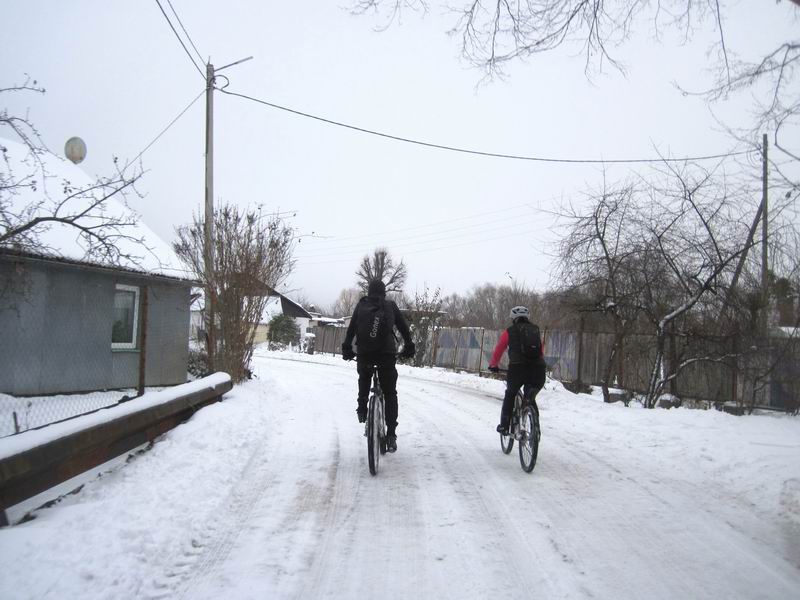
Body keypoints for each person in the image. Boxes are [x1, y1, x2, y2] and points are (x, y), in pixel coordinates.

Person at [342, 279, 415, 453]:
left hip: (365, 354)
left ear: (369, 291)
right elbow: (404, 329)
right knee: (390, 393)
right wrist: (409, 348)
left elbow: (351, 330)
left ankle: (362, 408)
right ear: (383, 292)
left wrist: (347, 349)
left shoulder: (361, 306)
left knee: (364, 377)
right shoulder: (390, 306)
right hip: (386, 355)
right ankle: (391, 434)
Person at [488, 306, 546, 434]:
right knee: (530, 397)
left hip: (518, 369)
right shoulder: (535, 330)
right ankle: (535, 429)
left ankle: (504, 426)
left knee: (510, 394)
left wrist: (493, 365)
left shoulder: (509, 331)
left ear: (513, 318)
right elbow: (541, 352)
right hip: (538, 370)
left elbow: (499, 350)